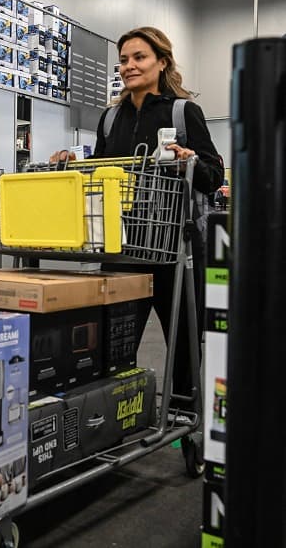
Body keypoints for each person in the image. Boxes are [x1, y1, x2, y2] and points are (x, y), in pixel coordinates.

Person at [53, 27, 222, 405]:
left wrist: (188, 161)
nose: (129, 66)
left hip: (175, 248)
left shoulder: (183, 112)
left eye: (139, 57)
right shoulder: (111, 117)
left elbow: (214, 175)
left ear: (162, 62)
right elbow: (101, 169)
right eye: (124, 60)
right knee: (114, 342)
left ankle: (183, 415)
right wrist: (73, 163)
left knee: (182, 341)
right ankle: (117, 413)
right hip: (121, 247)